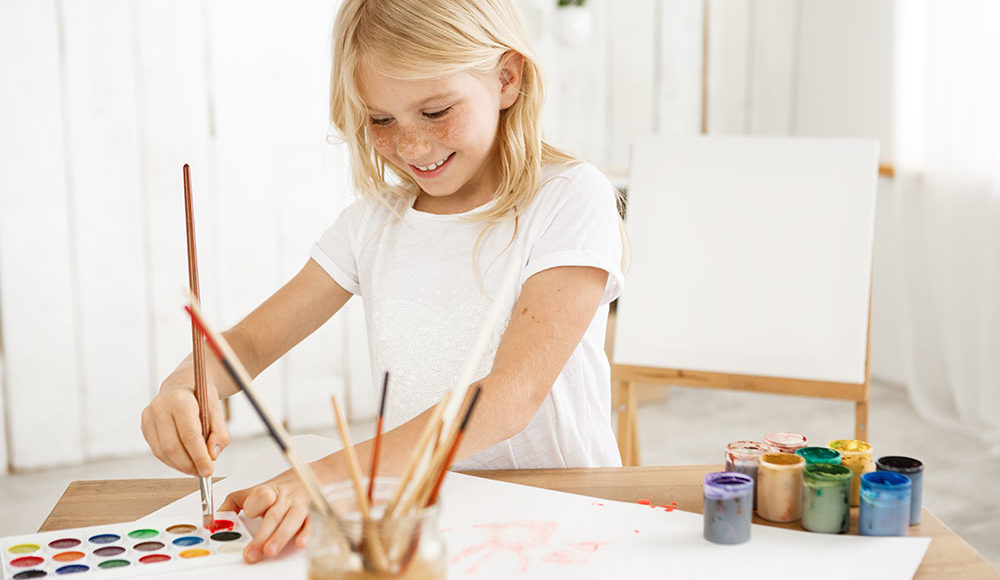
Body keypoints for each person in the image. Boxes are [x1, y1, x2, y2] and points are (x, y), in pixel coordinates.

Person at [140, 0, 625, 564]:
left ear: (506, 79)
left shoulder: (569, 197)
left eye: (436, 111)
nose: (413, 146)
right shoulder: (371, 224)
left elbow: (510, 396)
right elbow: (248, 343)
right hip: (416, 520)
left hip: (565, 519)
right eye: (380, 120)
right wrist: (184, 384)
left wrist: (328, 478)